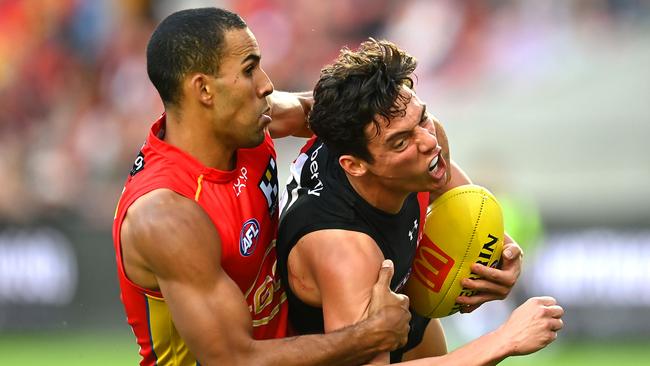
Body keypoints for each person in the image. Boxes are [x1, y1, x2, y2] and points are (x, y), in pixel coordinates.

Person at [112, 8, 413, 366]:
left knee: (417, 325)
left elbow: (356, 116)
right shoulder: (167, 215)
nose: (266, 83)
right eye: (249, 69)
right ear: (204, 89)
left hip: (292, 346)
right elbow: (234, 360)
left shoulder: (252, 122)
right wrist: (369, 334)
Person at [277, 39, 564, 364]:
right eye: (401, 141)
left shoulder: (414, 138)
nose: (429, 142)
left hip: (405, 307)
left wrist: (502, 254)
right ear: (354, 165)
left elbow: (466, 205)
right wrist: (504, 340)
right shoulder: (344, 248)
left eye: (422, 117)